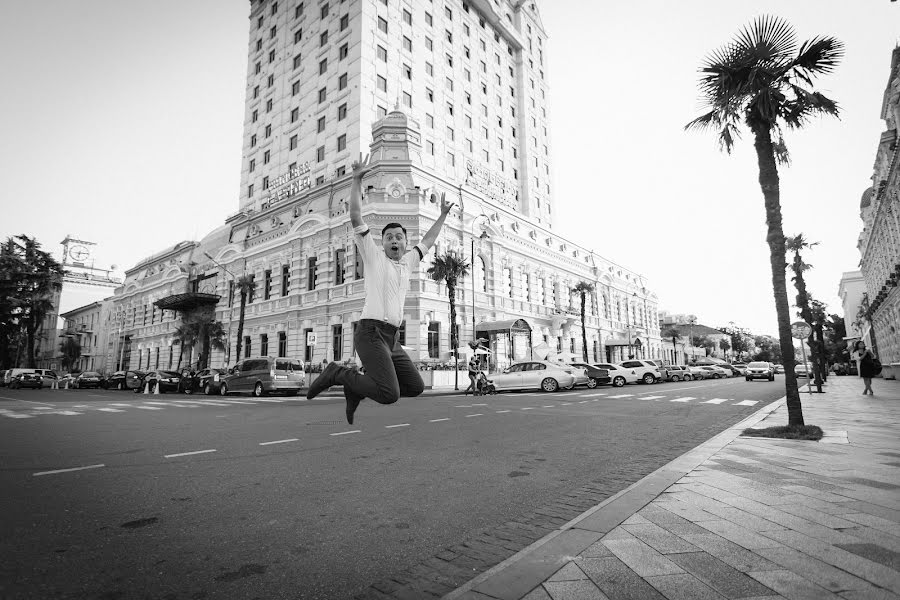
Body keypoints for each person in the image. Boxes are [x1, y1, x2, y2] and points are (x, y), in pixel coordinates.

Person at [306, 153, 455, 423]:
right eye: (389, 238)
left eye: (399, 237)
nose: (394, 240)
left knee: (416, 387)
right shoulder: (374, 256)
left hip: (392, 339)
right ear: (383, 243)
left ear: (406, 243)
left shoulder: (409, 261)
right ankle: (337, 374)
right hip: (371, 333)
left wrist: (443, 215)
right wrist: (356, 179)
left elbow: (430, 240)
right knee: (389, 394)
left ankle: (355, 388)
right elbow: (355, 215)